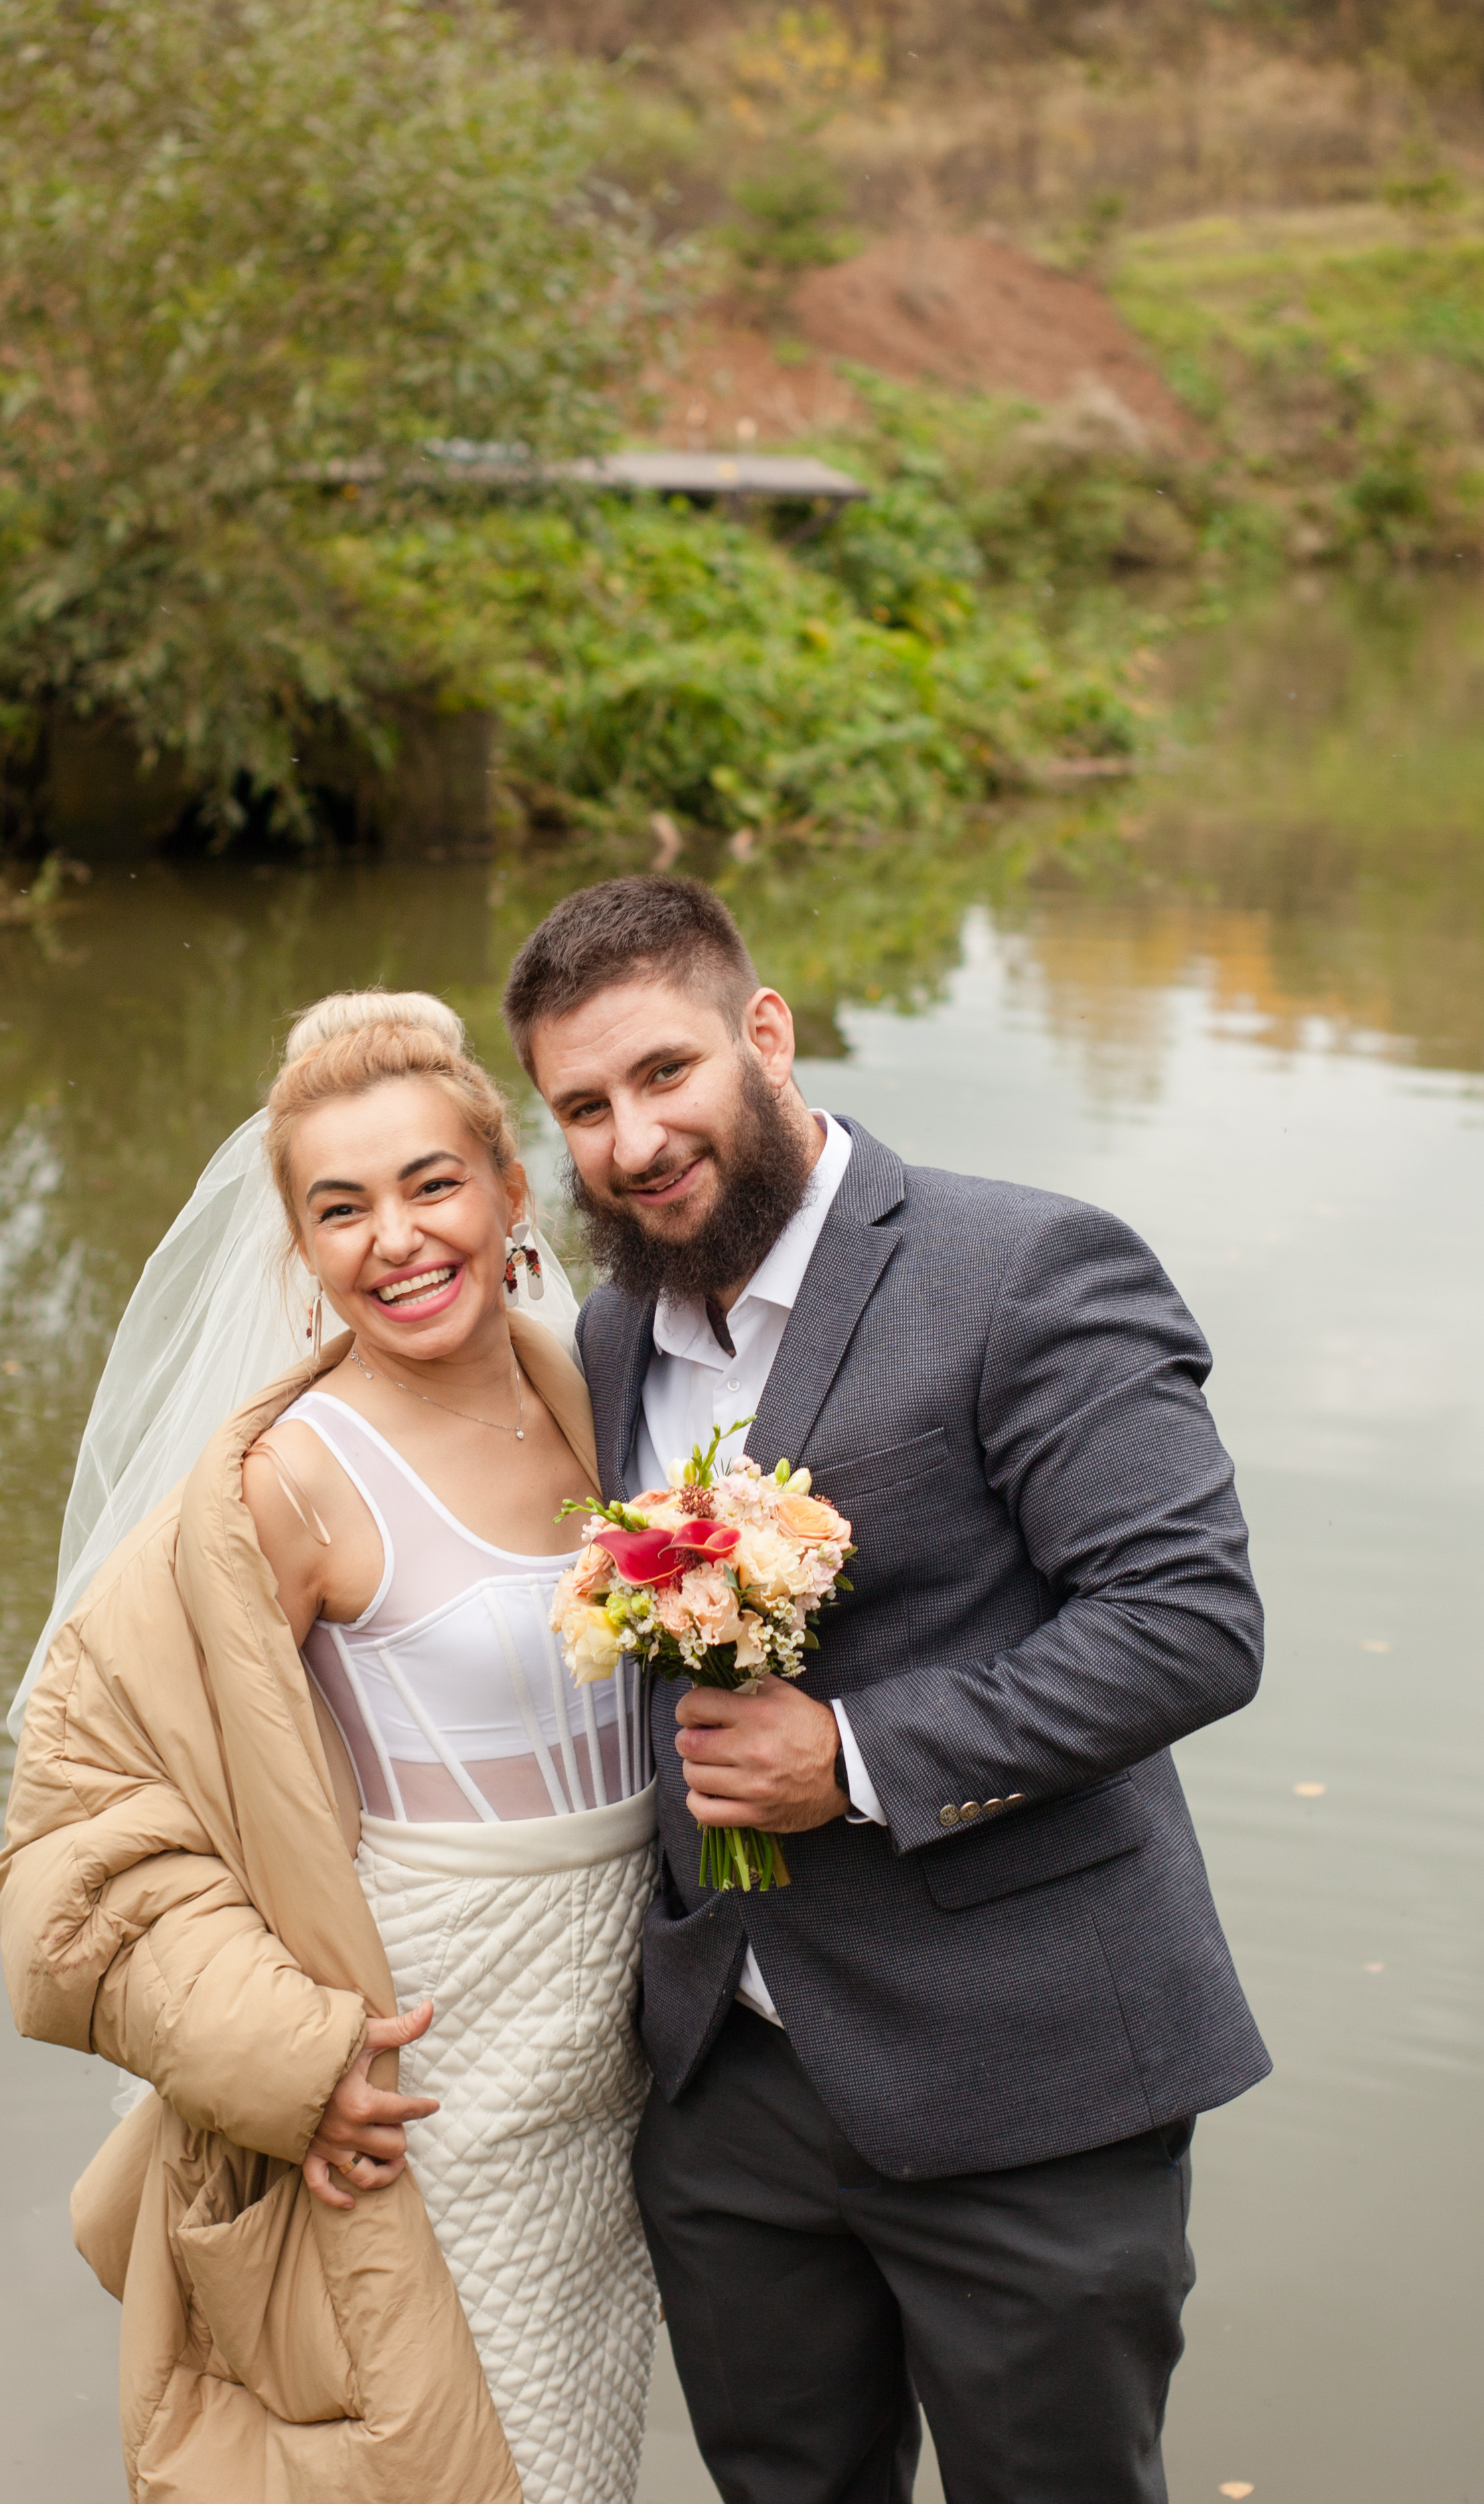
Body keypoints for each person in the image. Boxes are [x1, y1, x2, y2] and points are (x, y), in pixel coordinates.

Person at [502, 876, 1272, 2504]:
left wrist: (850, 1752)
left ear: (762, 1034)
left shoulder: (1025, 1266)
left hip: (1029, 2088)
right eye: (583, 1105)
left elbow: (1188, 1617)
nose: (632, 1140)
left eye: (663, 1073)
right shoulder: (612, 1327)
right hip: (734, 2096)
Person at [0, 990, 659, 2504]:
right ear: (299, 1244)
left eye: (433, 1183)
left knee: (581, 2454)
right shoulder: (278, 1486)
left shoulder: (601, 1395)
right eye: (340, 1206)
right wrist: (287, 2058)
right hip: (425, 2067)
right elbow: (74, 1825)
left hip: (615, 2061)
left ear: (510, 1189)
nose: (399, 1237)